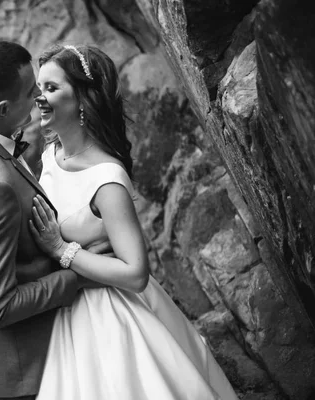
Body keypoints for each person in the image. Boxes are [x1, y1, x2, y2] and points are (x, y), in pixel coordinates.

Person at [29, 44, 239, 400]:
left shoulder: (106, 178)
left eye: (52, 88)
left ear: (82, 98)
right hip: (65, 307)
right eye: (39, 89)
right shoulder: (51, 156)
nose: (40, 98)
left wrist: (63, 250)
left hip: (111, 315)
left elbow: (135, 273)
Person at [0, 39, 101, 400]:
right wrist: (76, 275)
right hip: (16, 369)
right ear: (2, 108)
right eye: (31, 91)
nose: (39, 97)